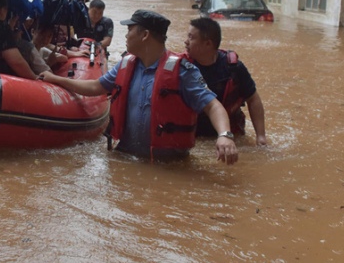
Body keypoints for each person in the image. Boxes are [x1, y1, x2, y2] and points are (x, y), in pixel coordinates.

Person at [39, 9, 238, 164]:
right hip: (125, 158)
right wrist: (56, 80)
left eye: (129, 30)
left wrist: (225, 136)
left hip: (167, 166)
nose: (125, 36)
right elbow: (95, 87)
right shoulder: (126, 64)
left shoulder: (183, 72)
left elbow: (213, 106)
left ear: (145, 35)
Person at [184, 17, 267, 146]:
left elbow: (253, 99)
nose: (186, 42)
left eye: (191, 37)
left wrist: (261, 136)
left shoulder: (233, 68)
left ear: (208, 44)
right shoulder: (183, 68)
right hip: (196, 136)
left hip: (230, 136)